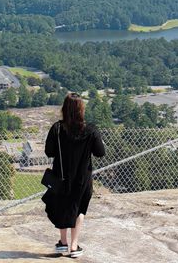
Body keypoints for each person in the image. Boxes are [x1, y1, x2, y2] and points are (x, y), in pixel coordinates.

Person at [42, 92, 106, 258]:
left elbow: (49, 152)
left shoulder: (57, 128)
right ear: (81, 110)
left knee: (62, 207)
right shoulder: (91, 130)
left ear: (65, 108)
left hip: (61, 177)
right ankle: (74, 246)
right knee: (79, 209)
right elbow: (100, 152)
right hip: (82, 179)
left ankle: (62, 243)